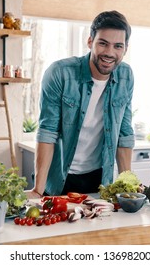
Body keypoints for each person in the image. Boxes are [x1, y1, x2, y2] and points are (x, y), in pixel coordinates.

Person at [26, 10, 135, 198]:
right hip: (60, 177)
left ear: (125, 49)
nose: (110, 53)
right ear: (90, 42)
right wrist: (38, 190)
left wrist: (128, 185)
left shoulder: (126, 76)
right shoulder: (60, 73)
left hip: (100, 179)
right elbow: (48, 131)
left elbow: (124, 134)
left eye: (118, 46)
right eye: (103, 43)